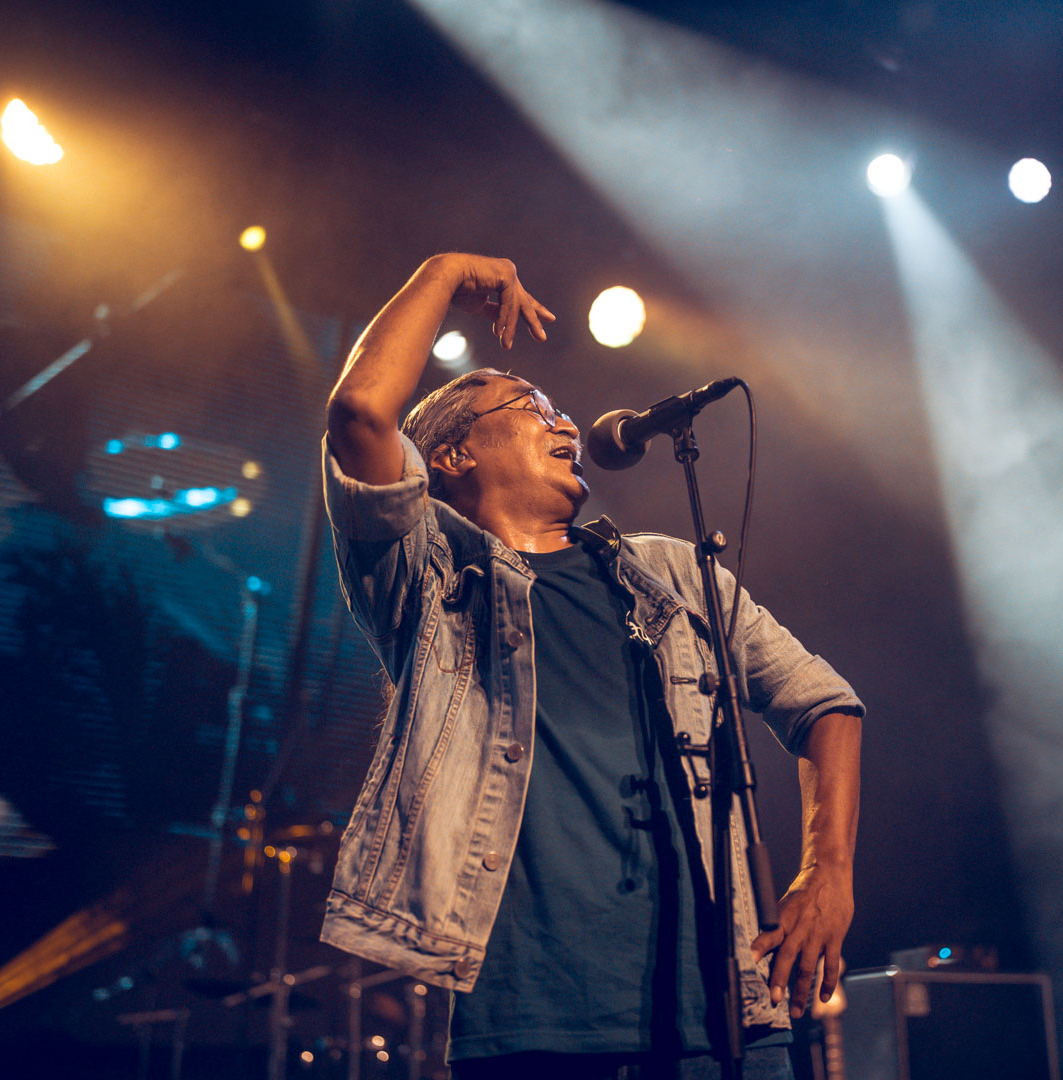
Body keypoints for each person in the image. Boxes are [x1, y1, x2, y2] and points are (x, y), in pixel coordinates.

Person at [318, 253, 864, 1079]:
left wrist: (828, 872)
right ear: (454, 458)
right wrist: (441, 271)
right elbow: (360, 410)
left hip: (726, 1020)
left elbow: (825, 703)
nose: (564, 422)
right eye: (531, 406)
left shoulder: (671, 574)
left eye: (560, 408)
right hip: (534, 1026)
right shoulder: (433, 582)